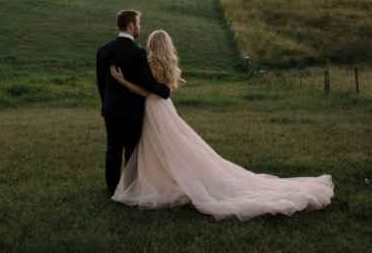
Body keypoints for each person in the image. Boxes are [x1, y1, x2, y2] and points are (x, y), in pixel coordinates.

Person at [109, 30, 334, 221]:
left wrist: (122, 81)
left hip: (153, 109)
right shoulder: (169, 63)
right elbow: (164, 90)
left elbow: (145, 91)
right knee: (171, 146)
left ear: (152, 45)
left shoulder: (151, 65)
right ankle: (170, 181)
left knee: (159, 147)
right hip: (166, 109)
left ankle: (161, 184)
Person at [96, 10, 171, 196]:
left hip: (111, 108)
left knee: (113, 148)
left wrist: (107, 102)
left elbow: (100, 82)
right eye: (138, 24)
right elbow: (146, 83)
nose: (139, 27)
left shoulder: (102, 50)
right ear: (131, 26)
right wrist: (165, 91)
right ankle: (129, 188)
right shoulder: (137, 53)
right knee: (131, 149)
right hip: (132, 110)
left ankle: (112, 189)